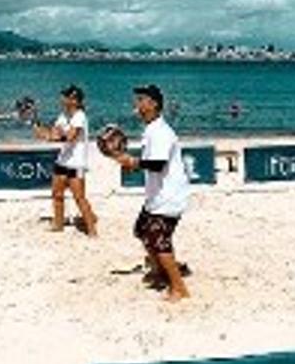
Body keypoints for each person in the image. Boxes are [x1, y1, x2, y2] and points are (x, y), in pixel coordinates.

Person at [103, 84, 191, 302]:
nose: (137, 105)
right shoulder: (152, 129)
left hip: (168, 197)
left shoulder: (161, 132)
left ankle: (179, 288)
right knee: (142, 231)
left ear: (153, 104)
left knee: (159, 241)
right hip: (157, 196)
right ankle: (161, 274)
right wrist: (131, 161)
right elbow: (152, 162)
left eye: (141, 100)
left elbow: (158, 164)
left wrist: (133, 161)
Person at [34, 85, 97, 235]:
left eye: (65, 97)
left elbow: (70, 137)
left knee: (79, 198)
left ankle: (92, 230)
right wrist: (40, 129)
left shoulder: (80, 116)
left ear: (74, 100)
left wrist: (52, 136)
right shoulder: (63, 116)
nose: (62, 100)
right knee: (57, 195)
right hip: (62, 161)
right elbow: (54, 133)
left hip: (76, 163)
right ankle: (58, 225)